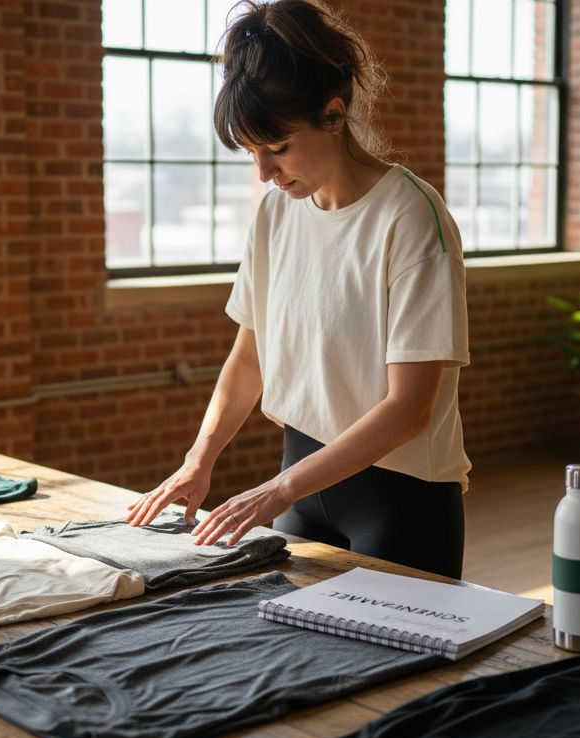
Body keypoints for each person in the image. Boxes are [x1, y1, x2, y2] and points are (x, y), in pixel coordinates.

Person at [125, 0, 470, 579]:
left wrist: (277, 491)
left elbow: (410, 409)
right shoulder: (276, 214)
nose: (264, 172)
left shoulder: (409, 216)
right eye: (251, 152)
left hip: (402, 497)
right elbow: (249, 356)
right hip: (303, 481)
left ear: (334, 116)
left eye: (278, 148)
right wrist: (199, 459)